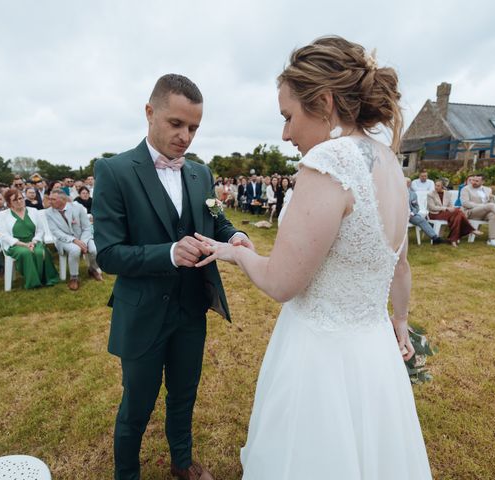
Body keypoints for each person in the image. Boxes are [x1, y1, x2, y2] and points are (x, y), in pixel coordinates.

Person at [196, 36, 431, 479]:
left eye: (289, 117)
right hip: (374, 350)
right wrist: (399, 323)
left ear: (323, 103)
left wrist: (235, 254)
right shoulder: (390, 163)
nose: (285, 134)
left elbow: (282, 283)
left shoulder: (330, 160)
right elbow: (400, 265)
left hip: (321, 356)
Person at [93, 73, 252, 480]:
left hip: (190, 309)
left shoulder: (201, 174)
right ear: (150, 113)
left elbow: (215, 218)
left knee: (184, 395)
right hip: (143, 312)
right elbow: (109, 253)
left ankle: (183, 463)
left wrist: (234, 233)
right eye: (176, 124)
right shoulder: (113, 171)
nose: (186, 137)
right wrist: (168, 252)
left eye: (194, 128)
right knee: (137, 406)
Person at [0, 188, 59, 289]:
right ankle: (33, 282)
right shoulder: (3, 215)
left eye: (20, 198)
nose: (19, 201)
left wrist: (34, 242)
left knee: (39, 252)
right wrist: (24, 245)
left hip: (33, 241)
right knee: (26, 253)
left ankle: (48, 279)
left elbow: (40, 230)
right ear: (9, 203)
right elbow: (4, 235)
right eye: (15, 200)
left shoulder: (33, 211)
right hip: (15, 244)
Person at [46, 189, 102, 290]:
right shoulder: (49, 212)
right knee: (75, 250)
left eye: (53, 199)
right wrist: (74, 241)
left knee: (94, 249)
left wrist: (83, 242)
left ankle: (92, 269)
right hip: (63, 240)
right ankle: (74, 277)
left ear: (63, 200)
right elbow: (56, 232)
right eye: (50, 199)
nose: (50, 201)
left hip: (83, 237)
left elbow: (87, 227)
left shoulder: (78, 207)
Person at [427, 180, 480, 246]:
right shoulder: (430, 194)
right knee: (458, 212)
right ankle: (470, 229)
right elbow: (432, 207)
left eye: (438, 186)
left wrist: (451, 208)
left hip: (447, 214)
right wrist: (446, 208)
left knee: (457, 217)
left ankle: (453, 239)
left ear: (443, 187)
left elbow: (450, 205)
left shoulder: (448, 194)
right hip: (435, 214)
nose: (436, 187)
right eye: (435, 185)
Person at [407, 178, 444, 245]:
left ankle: (434, 237)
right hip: (400, 216)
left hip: (411, 215)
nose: (407, 184)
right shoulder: (396, 194)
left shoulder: (413, 194)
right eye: (406, 183)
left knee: (421, 219)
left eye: (408, 183)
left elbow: (416, 207)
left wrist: (412, 213)